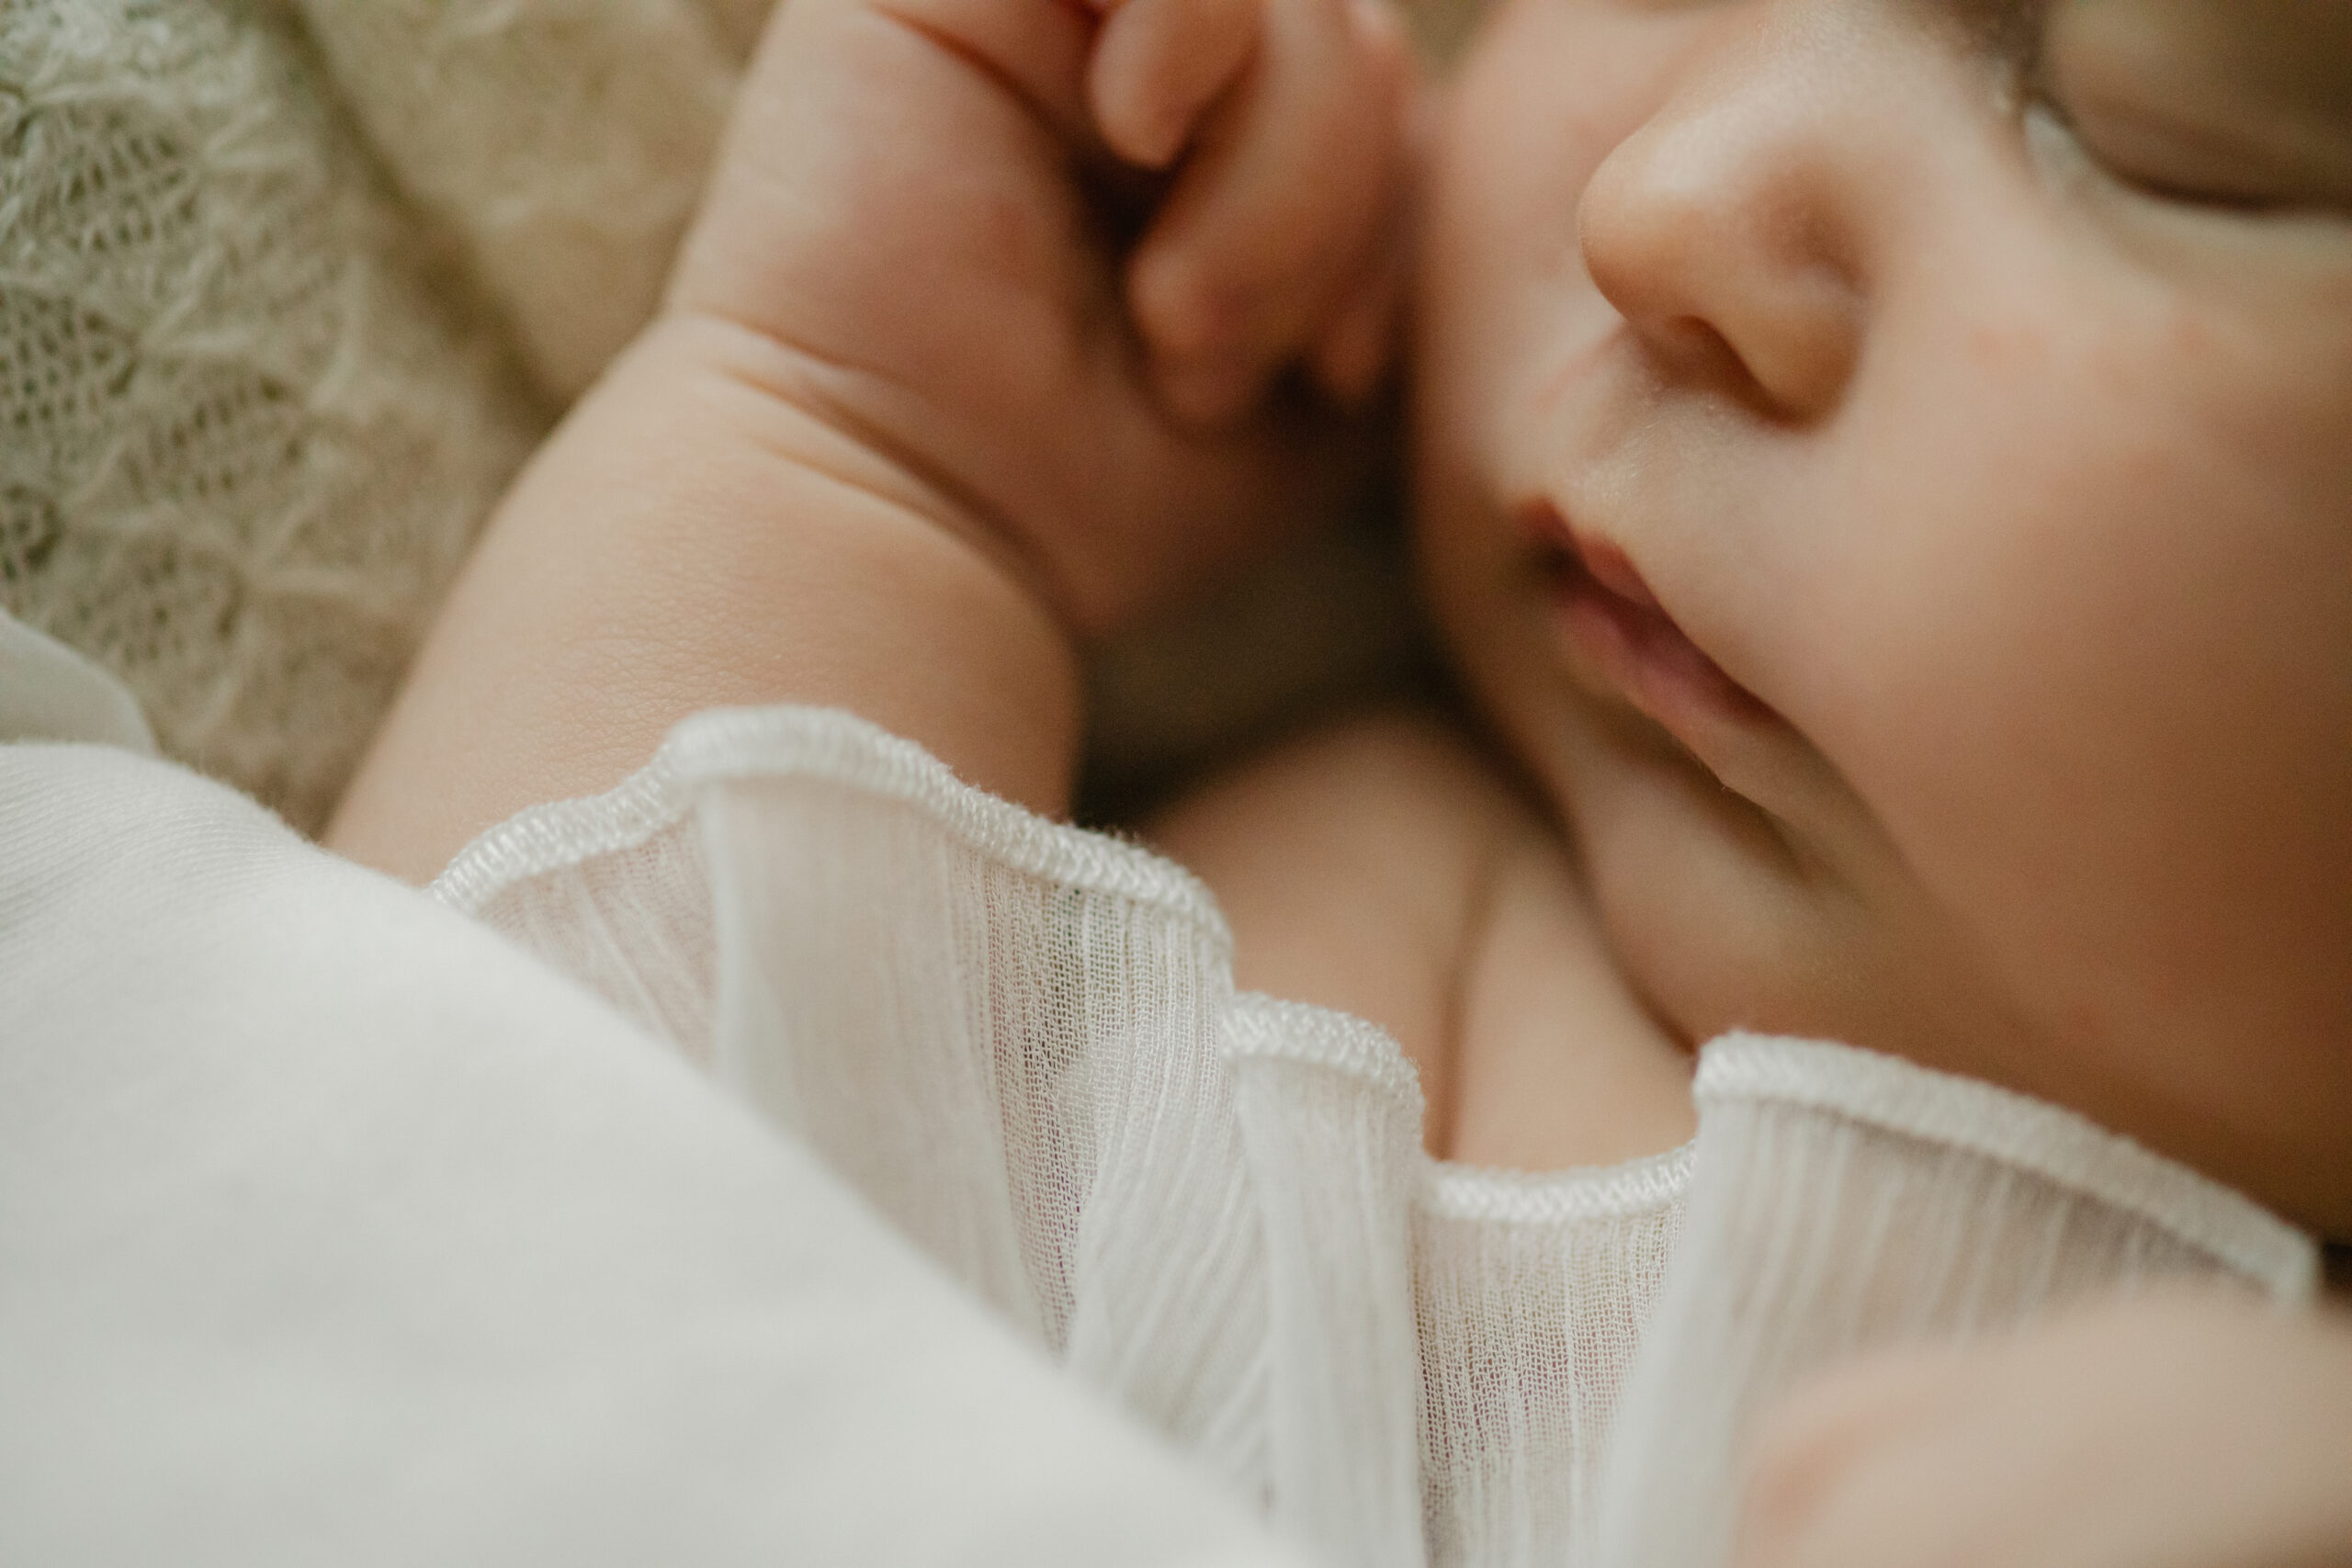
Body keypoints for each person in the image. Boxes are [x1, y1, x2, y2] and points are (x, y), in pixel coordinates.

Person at [6, 0, 2345, 1562]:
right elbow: (467, 1243)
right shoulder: (1370, 931)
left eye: (2127, 126)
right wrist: (881, 454)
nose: (1659, 203)